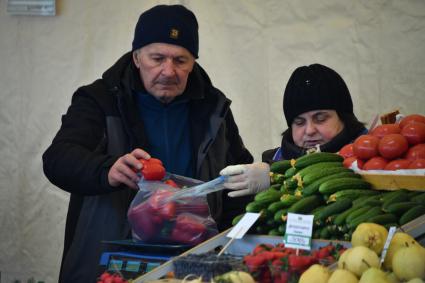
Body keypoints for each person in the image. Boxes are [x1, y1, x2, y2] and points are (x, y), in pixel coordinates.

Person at [42, 5, 253, 282]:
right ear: (137, 57)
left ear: (194, 62)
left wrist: (230, 248)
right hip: (110, 265)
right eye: (157, 58)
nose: (168, 71)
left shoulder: (214, 107)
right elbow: (58, 159)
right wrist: (106, 170)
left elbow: (236, 181)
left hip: (194, 266)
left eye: (180, 60)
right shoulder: (99, 99)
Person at [220, 64, 366, 196]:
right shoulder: (272, 161)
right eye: (299, 122)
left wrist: (276, 175)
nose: (309, 130)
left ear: (345, 118)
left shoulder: (373, 159)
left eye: (320, 118)